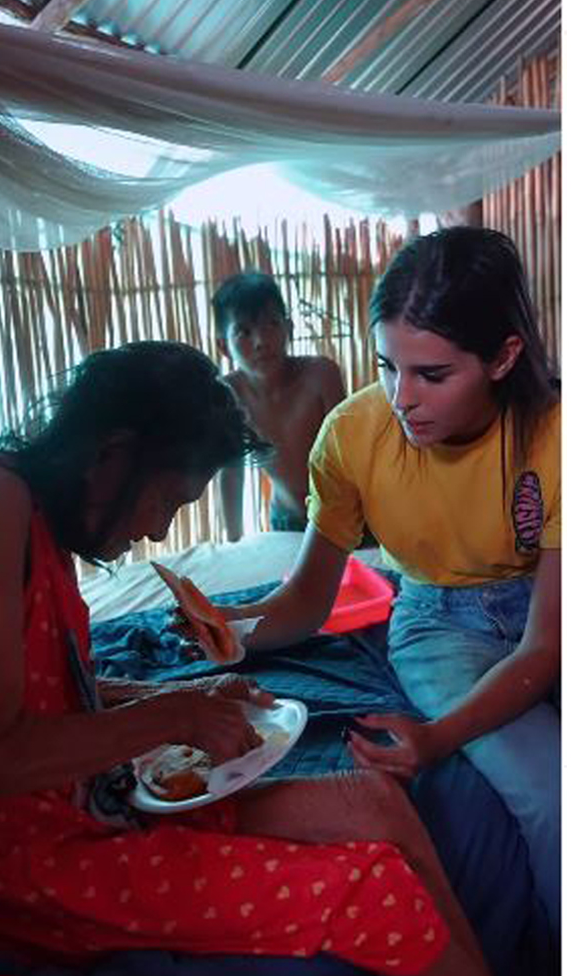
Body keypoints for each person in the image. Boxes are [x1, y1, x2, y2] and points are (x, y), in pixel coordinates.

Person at [0, 342, 507, 976]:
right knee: (374, 890)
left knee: (373, 800)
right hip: (24, 858)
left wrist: (194, 689)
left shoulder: (30, 522)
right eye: (167, 502)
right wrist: (172, 714)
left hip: (88, 802)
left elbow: (48, 696)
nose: (155, 531)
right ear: (112, 456)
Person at [211, 227, 565, 925]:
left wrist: (439, 736)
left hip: (543, 614)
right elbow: (307, 600)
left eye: (432, 374)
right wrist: (227, 632)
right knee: (550, 790)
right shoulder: (349, 434)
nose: (402, 398)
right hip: (437, 623)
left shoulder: (551, 435)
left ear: (503, 356)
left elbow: (545, 644)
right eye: (385, 366)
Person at [210, 272, 345, 540]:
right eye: (244, 331)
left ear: (289, 329)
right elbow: (232, 473)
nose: (261, 341)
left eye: (271, 324)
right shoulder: (229, 394)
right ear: (224, 346)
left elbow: (348, 454)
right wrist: (234, 544)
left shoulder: (321, 376)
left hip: (345, 516)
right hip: (287, 521)